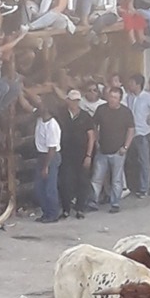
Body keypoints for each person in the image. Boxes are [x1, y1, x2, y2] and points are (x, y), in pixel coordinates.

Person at [89, 86, 134, 213]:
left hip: (118, 151)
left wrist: (125, 147)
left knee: (116, 180)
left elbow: (131, 130)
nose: (112, 100)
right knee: (96, 178)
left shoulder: (126, 112)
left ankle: (115, 203)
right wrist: (96, 140)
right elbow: (94, 125)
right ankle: (93, 202)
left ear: (120, 99)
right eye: (110, 97)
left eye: (115, 97)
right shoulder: (101, 109)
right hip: (102, 150)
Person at [126, 72, 150, 197]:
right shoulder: (128, 97)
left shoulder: (147, 97)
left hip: (142, 133)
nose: (129, 85)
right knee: (132, 161)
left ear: (138, 84)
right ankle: (134, 185)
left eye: (132, 83)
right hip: (130, 133)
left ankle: (144, 188)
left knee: (144, 162)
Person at [58, 89, 95, 219]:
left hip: (81, 154)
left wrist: (89, 155)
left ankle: (80, 208)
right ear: (68, 101)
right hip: (66, 153)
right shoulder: (62, 115)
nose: (75, 103)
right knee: (65, 182)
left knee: (82, 181)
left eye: (77, 101)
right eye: (73, 100)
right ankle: (66, 209)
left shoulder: (85, 116)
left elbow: (91, 137)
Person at [34, 99, 61, 223]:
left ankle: (53, 213)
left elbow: (52, 148)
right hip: (42, 155)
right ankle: (46, 212)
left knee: (50, 187)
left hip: (50, 157)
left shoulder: (52, 125)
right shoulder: (40, 120)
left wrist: (46, 166)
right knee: (40, 188)